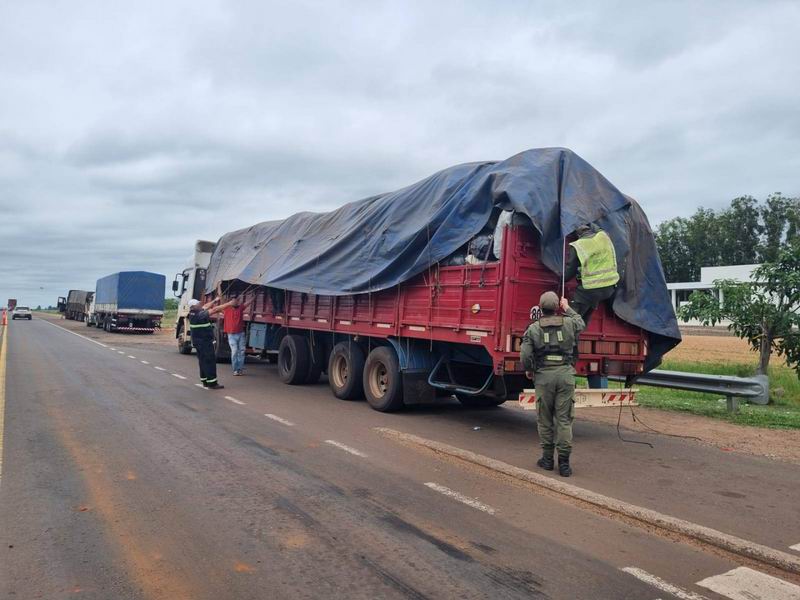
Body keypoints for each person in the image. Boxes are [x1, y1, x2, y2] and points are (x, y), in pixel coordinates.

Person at [521, 292, 586, 477]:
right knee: (564, 420)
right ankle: (564, 464)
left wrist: (530, 369)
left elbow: (525, 355)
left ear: (540, 308)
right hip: (565, 376)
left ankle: (547, 460)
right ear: (557, 307)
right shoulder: (570, 323)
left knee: (545, 420)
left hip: (544, 377)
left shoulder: (533, 328)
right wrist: (568, 307)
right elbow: (581, 323)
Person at [564, 224, 620, 326]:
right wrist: (589, 222)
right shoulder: (603, 236)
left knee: (571, 320)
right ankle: (582, 327)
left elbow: (569, 272)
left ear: (577, 235)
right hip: (610, 288)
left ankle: (570, 331)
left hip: (591, 289)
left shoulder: (578, 245)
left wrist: (560, 280)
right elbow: (599, 228)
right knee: (588, 308)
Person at [188, 296, 237, 390]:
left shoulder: (193, 313)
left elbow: (206, 306)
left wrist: (214, 300)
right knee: (209, 361)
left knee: (203, 361)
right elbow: (215, 309)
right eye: (198, 304)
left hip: (199, 342)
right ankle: (212, 383)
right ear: (193, 306)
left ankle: (205, 381)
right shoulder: (199, 315)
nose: (200, 304)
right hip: (204, 342)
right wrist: (229, 303)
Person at [224, 296, 246, 375]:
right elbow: (221, 299)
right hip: (231, 335)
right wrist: (219, 290)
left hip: (241, 334)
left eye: (236, 301)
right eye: (233, 301)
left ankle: (240, 369)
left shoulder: (240, 308)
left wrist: (254, 296)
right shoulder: (226, 308)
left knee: (242, 352)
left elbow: (248, 303)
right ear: (230, 302)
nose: (235, 302)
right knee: (234, 351)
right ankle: (235, 370)